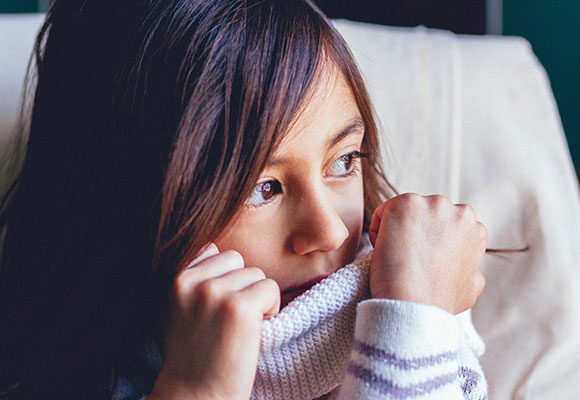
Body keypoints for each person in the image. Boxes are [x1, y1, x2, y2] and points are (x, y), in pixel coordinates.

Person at [0, 0, 488, 399]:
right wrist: (197, 390)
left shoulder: (422, 315)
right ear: (125, 208)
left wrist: (416, 313)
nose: (330, 232)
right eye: (262, 188)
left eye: (343, 161)